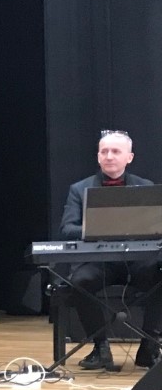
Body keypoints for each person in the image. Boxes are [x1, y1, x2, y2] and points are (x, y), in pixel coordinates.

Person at [58, 129, 162, 370]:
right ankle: (100, 347)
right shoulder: (79, 189)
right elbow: (67, 229)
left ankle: (149, 345)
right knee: (80, 281)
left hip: (138, 261)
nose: (109, 156)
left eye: (115, 151)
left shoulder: (145, 187)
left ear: (129, 157)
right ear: (98, 156)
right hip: (100, 261)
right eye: (104, 151)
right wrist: (99, 228)